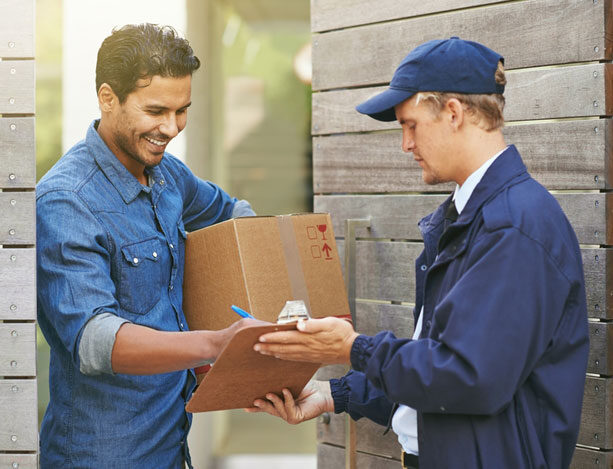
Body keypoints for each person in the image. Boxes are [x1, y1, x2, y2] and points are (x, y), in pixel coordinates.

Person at [250, 37, 589, 469]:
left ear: (453, 112)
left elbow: (468, 377)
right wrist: (334, 394)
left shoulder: (514, 226)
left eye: (410, 125)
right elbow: (438, 365)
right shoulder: (470, 217)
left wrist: (353, 349)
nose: (405, 145)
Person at [36, 23, 255, 468]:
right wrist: (215, 343)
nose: (171, 128)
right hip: (103, 456)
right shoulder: (66, 200)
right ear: (107, 98)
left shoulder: (168, 176)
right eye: (156, 110)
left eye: (182, 110)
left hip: (171, 446)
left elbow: (236, 216)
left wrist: (255, 291)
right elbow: (95, 341)